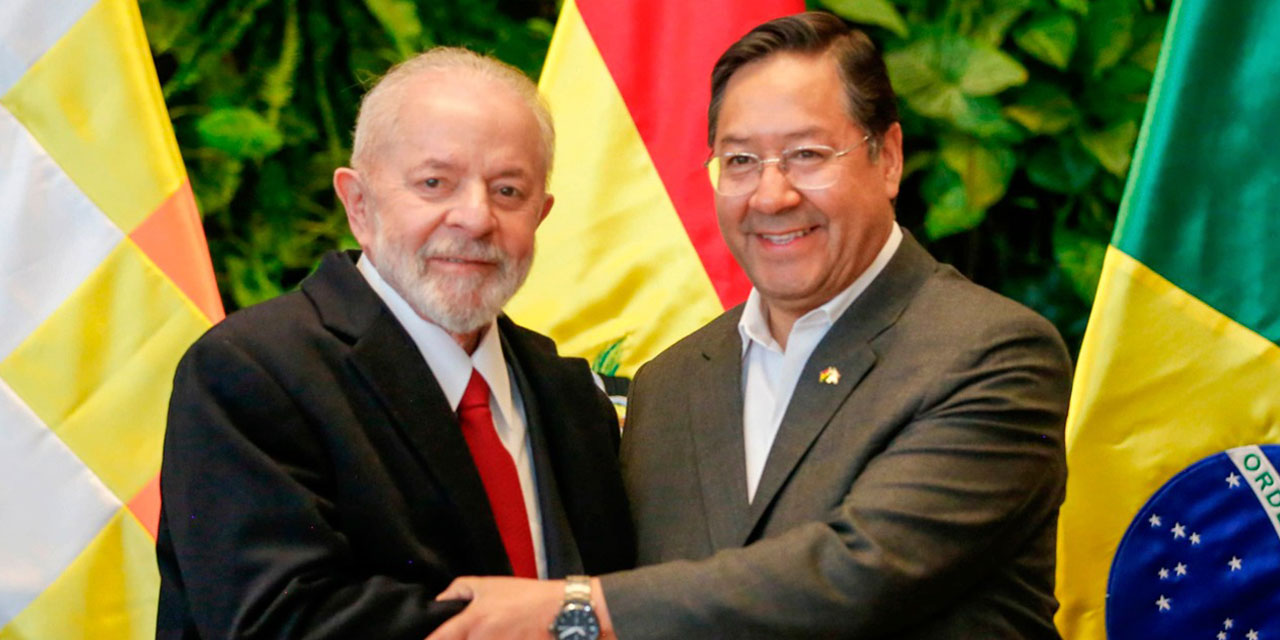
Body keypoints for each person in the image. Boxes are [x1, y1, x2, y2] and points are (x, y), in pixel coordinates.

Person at [428, 11, 1072, 640]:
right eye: (739, 161)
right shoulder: (671, 382)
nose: (771, 196)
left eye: (807, 154)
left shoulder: (992, 354)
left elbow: (856, 574)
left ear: (889, 159)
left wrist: (573, 610)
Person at [154, 47, 634, 640]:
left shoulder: (571, 396)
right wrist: (563, 622)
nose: (476, 217)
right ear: (358, 203)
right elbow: (282, 623)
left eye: (508, 191)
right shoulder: (251, 372)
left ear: (541, 215)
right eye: (435, 183)